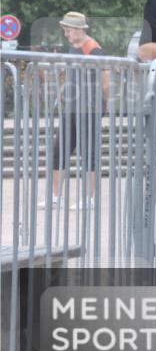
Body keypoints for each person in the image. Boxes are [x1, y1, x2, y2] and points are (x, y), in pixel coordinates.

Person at [41, 12, 108, 211]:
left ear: (80, 30)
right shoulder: (74, 47)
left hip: (89, 108)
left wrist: (106, 103)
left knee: (88, 153)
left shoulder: (93, 48)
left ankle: (90, 198)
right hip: (72, 107)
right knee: (58, 150)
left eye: (68, 30)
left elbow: (105, 76)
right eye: (65, 30)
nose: (66, 34)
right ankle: (55, 197)